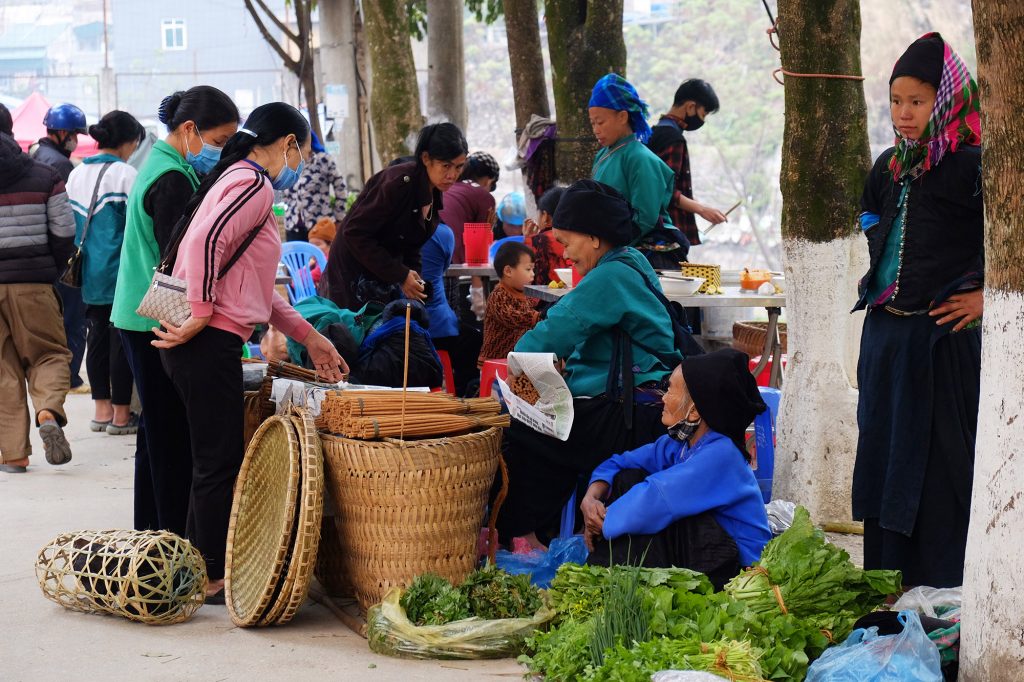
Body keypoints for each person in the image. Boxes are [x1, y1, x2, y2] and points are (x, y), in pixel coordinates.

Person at [152, 102, 347, 602]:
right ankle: (212, 575)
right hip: (207, 340)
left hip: (207, 338)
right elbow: (203, 243)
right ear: (287, 144)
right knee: (217, 462)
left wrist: (311, 337)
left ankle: (198, 571)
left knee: (211, 460)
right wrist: (199, 312)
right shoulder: (254, 183)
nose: (299, 162)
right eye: (299, 151)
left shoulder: (237, 177)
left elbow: (258, 287)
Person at [852, 33, 983, 589]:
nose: (904, 115)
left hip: (942, 344)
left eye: (918, 102)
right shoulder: (887, 166)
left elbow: (1012, 246)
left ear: (947, 100)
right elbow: (871, 220)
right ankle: (889, 582)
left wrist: (985, 297)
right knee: (884, 457)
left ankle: (943, 589)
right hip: (886, 340)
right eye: (896, 102)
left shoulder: (976, 165)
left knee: (937, 468)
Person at [495, 180, 684, 547]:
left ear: (595, 238)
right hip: (646, 402)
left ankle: (525, 538)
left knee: (519, 433)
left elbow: (536, 341)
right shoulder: (633, 261)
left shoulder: (609, 278)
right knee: (544, 428)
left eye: (566, 243)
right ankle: (548, 532)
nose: (565, 255)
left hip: (631, 415)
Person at [111, 85, 239, 535]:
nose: (220, 152)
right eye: (220, 142)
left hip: (136, 313)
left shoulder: (163, 165)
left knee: (154, 435)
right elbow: (182, 261)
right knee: (169, 440)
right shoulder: (171, 179)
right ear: (189, 130)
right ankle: (170, 548)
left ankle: (149, 537)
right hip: (156, 318)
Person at [582, 349, 771, 589]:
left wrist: (602, 522)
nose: (662, 397)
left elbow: (657, 498)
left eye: (670, 389)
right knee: (627, 478)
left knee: (647, 515)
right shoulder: (679, 445)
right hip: (706, 551)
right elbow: (622, 462)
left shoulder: (722, 454)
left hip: (739, 570)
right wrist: (592, 496)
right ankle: (608, 580)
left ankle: (606, 583)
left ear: (693, 411)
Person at [325, 122, 468, 311]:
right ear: (426, 158)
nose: (452, 175)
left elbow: (412, 244)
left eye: (459, 167)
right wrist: (401, 275)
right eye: (446, 166)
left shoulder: (432, 191)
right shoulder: (398, 183)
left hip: (382, 279)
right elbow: (354, 233)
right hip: (353, 279)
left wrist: (414, 279)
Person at [0, 133, 76, 472]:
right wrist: (50, 270)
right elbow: (64, 232)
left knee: (2, 368)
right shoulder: (45, 176)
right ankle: (47, 410)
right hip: (34, 283)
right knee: (49, 354)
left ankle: (14, 455)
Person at [66, 111, 145, 436]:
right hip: (119, 272)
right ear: (128, 142)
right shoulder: (126, 174)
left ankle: (101, 411)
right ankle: (122, 416)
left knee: (96, 337)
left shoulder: (76, 174)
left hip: (88, 272)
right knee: (120, 341)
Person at [587, 74, 681, 270]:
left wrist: (610, 247)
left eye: (600, 122)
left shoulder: (641, 158)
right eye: (592, 123)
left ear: (622, 117)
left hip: (645, 254)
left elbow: (644, 218)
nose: (595, 129)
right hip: (611, 248)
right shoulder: (602, 156)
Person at [31, 103, 89, 391]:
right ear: (63, 132)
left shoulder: (37, 155)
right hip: (62, 256)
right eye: (75, 134)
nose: (76, 140)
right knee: (74, 319)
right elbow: (66, 217)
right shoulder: (60, 164)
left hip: (41, 257)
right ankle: (71, 377)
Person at [647, 78, 728, 256]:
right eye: (703, 114)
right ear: (691, 107)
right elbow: (665, 192)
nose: (702, 120)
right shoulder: (673, 138)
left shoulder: (654, 133)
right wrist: (702, 209)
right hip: (666, 235)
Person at [421, 223, 482, 396]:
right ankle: (465, 393)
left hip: (401, 322)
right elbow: (445, 265)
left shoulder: (393, 231)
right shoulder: (443, 233)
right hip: (439, 327)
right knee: (474, 339)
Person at [478, 241, 539, 368]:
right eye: (528, 269)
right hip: (495, 360)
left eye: (533, 269)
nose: (532, 274)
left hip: (515, 360)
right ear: (508, 271)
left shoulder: (523, 293)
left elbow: (532, 304)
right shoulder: (499, 295)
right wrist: (538, 317)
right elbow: (512, 317)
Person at [280, 131, 346, 242]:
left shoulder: (323, 160)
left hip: (320, 226)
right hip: (293, 227)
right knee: (297, 259)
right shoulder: (286, 162)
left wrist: (339, 219)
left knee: (320, 258)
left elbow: (340, 188)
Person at [438, 150, 499, 263]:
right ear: (488, 180)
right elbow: (479, 246)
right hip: (448, 253)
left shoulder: (449, 187)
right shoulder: (484, 196)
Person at [523, 185, 569, 285]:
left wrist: (528, 239)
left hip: (543, 299)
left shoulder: (539, 240)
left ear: (545, 216)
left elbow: (522, 276)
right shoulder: (579, 236)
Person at [307, 216, 334, 286]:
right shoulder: (314, 260)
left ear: (330, 244)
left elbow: (302, 279)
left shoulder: (329, 261)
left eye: (317, 244)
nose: (314, 248)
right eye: (311, 245)